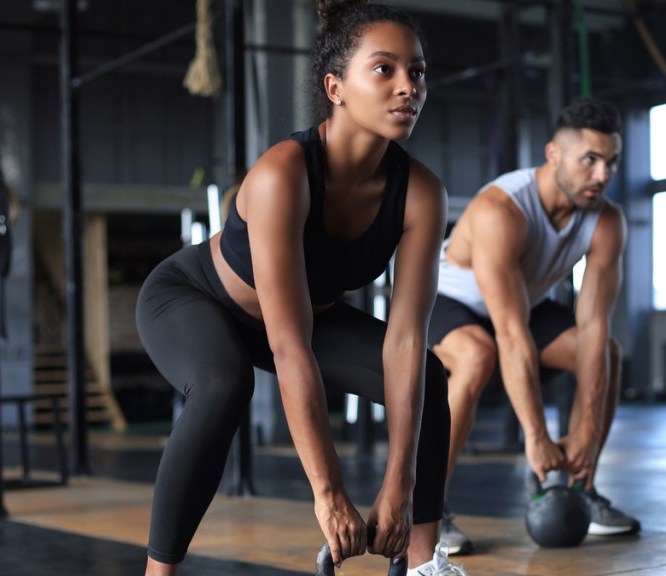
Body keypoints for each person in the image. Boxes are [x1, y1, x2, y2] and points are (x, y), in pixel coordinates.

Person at [136, 2, 468, 574]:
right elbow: (290, 347)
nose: (406, 86)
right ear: (336, 87)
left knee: (430, 375)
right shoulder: (282, 175)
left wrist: (400, 485)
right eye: (384, 69)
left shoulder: (421, 193)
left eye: (416, 71)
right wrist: (329, 490)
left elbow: (406, 340)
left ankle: (423, 563)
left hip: (309, 318)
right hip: (196, 298)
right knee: (222, 385)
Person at [427, 97, 639, 554]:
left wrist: (584, 434)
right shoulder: (500, 211)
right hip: (450, 300)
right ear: (554, 155)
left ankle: (582, 488)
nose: (602, 175)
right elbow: (511, 334)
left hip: (525, 303)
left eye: (611, 162)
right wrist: (536, 437)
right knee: (477, 354)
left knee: (608, 352)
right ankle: (428, 510)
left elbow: (595, 329)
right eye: (590, 161)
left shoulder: (606, 221)